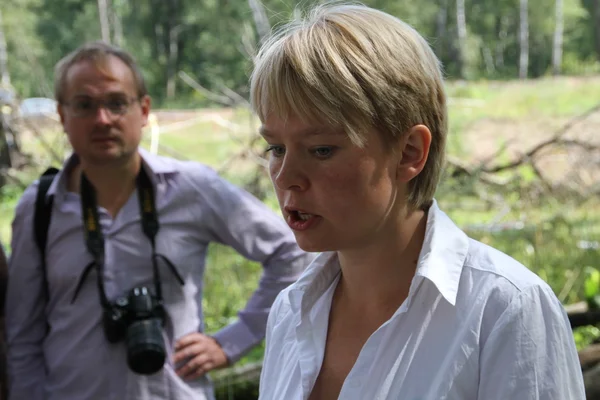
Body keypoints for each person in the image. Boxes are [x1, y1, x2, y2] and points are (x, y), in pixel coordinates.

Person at [250, 3, 585, 400]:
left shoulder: (504, 310)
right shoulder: (291, 312)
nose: (286, 177)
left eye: (321, 150)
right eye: (275, 147)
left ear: (410, 152)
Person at [5, 41, 313, 400]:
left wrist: (233, 340)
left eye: (117, 103)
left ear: (144, 110)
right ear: (61, 115)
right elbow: (22, 335)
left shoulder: (191, 189)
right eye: (84, 105)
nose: (102, 119)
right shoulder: (39, 207)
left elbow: (292, 251)